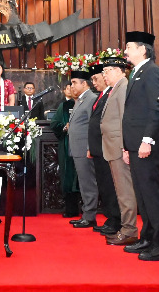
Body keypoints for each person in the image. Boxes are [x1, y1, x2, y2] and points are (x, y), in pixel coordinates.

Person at [121, 31, 159, 261]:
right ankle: (148, 237)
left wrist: (147, 140)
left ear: (143, 49)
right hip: (134, 143)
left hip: (145, 143)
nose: (125, 51)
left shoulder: (152, 72)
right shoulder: (137, 72)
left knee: (151, 194)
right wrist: (127, 146)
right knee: (142, 194)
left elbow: (155, 109)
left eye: (129, 47)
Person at [99, 56, 139, 246]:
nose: (104, 75)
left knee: (125, 191)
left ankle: (129, 230)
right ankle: (125, 228)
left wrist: (125, 147)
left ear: (118, 71)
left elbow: (125, 119)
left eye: (107, 71)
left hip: (118, 147)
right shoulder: (116, 88)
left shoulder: (123, 87)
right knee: (121, 191)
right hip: (113, 146)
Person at [86, 63, 122, 236]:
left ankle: (116, 220)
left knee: (110, 185)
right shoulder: (101, 95)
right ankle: (110, 218)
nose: (95, 82)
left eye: (97, 78)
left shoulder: (112, 93)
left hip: (107, 146)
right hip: (98, 148)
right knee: (104, 185)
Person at [66, 70, 99, 228]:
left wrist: (89, 147)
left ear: (84, 84)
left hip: (85, 149)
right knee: (83, 183)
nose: (72, 86)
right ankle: (86, 214)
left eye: (74, 83)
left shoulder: (91, 98)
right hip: (77, 149)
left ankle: (90, 216)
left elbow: (93, 126)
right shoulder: (80, 99)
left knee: (88, 183)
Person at [50, 82, 79, 217]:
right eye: (70, 87)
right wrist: (64, 127)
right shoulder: (64, 106)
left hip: (83, 145)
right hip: (67, 145)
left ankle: (87, 210)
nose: (72, 89)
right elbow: (54, 124)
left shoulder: (86, 103)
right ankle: (70, 209)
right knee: (68, 177)